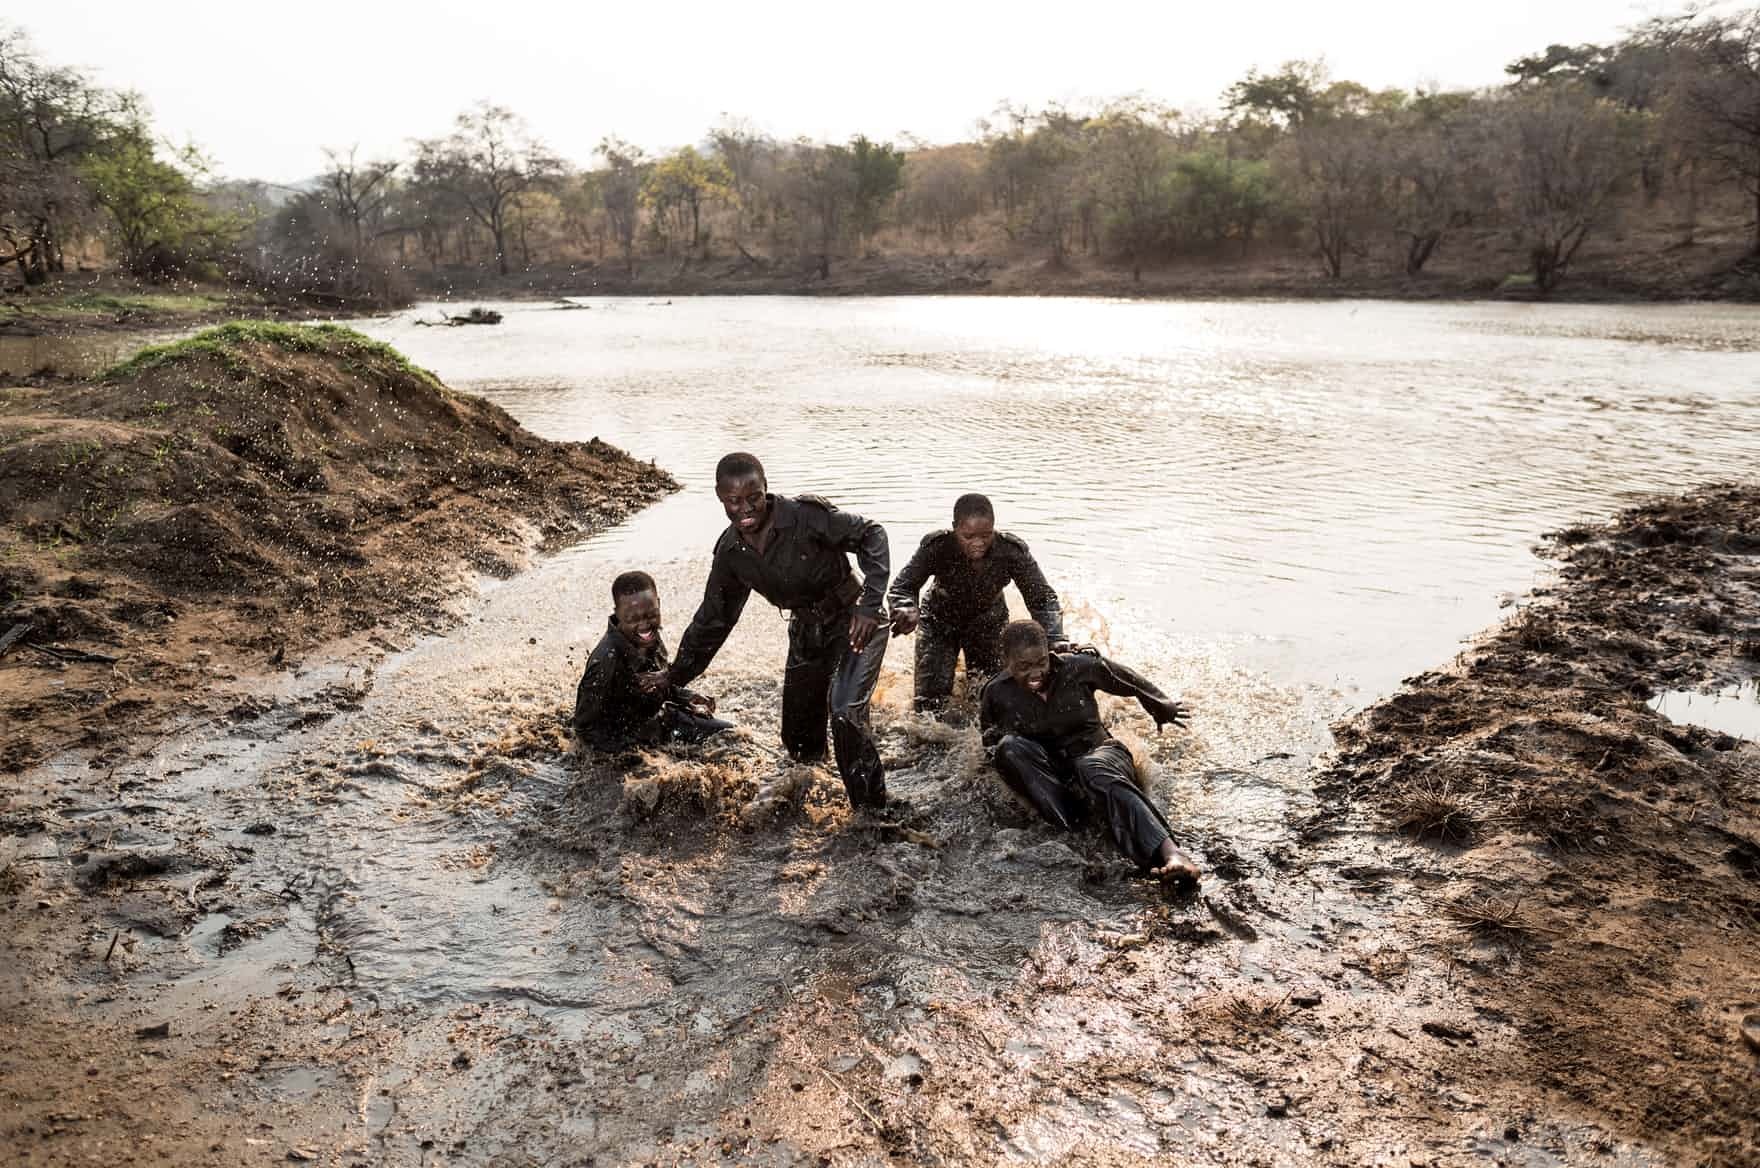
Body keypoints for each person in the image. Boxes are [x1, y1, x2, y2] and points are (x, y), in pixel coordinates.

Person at [642, 453, 894, 808]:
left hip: (855, 620)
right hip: (807, 630)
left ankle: (873, 811)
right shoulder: (732, 553)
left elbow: (871, 533)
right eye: (734, 501)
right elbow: (714, 619)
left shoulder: (806, 517)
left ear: (765, 489)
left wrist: (871, 603)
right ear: (720, 498)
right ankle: (812, 804)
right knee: (799, 744)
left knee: (844, 712)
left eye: (753, 497)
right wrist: (675, 675)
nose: (745, 508)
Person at [979, 619, 1201, 884]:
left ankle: (1172, 854)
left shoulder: (1078, 666)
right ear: (1006, 660)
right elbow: (990, 747)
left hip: (1102, 757)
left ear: (1049, 652)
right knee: (1009, 748)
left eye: (1041, 662)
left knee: (1090, 767)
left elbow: (1128, 681)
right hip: (1054, 775)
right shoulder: (995, 693)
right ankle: (1073, 829)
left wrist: (1161, 706)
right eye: (1023, 667)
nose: (1035, 673)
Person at [887, 493, 1066, 714]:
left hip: (988, 623)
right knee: (929, 704)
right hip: (939, 623)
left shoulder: (1010, 551)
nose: (978, 544)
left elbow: (1042, 597)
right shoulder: (937, 547)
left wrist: (1055, 638)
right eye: (968, 536)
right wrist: (906, 607)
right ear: (955, 528)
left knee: (991, 696)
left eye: (985, 535)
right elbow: (903, 585)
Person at [571, 570, 731, 750]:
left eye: (651, 615)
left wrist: (686, 697)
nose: (645, 625)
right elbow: (584, 729)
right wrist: (638, 754)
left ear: (658, 605)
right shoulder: (604, 663)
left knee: (729, 738)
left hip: (661, 722)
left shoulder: (649, 636)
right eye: (633, 619)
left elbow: (656, 683)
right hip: (630, 743)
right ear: (618, 614)